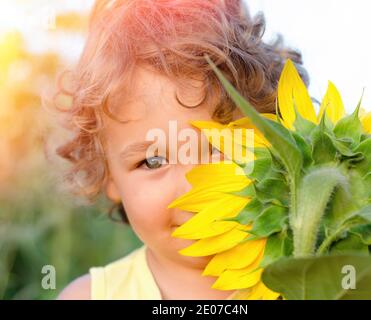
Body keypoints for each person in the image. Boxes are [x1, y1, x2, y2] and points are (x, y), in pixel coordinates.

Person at [54, 0, 308, 300]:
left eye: (218, 147)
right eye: (152, 161)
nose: (192, 187)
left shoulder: (315, 279)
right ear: (109, 176)